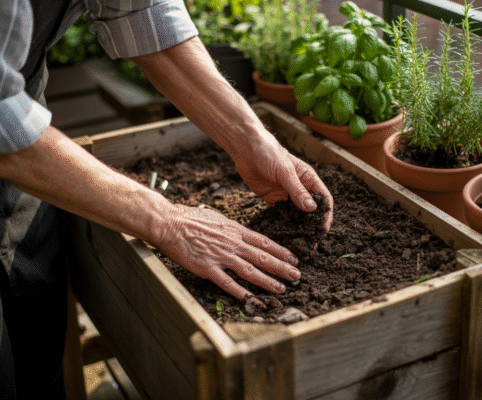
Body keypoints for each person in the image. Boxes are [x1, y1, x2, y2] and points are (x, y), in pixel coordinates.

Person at [0, 0, 334, 398]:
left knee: (34, 323)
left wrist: (251, 138)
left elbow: (141, 11)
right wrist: (166, 219)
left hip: (18, 99)